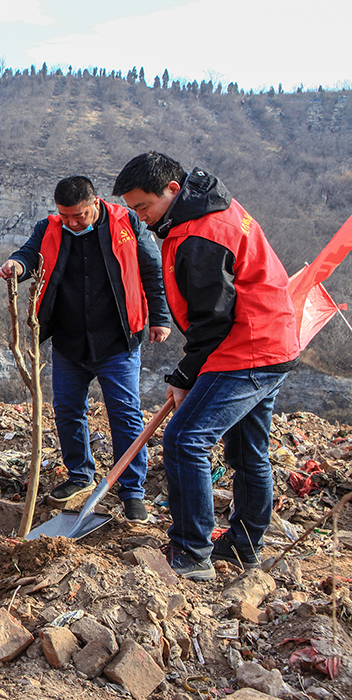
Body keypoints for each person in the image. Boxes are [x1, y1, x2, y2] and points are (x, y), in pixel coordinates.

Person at [113, 152, 300, 581]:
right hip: (272, 339)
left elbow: (213, 321)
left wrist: (183, 377)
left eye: (144, 207)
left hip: (247, 348)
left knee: (183, 439)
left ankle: (192, 551)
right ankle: (243, 546)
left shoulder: (202, 236)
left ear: (173, 190)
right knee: (246, 450)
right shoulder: (205, 208)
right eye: (134, 209)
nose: (140, 218)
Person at [0, 176, 171, 523]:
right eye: (66, 216)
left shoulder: (127, 223)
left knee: (124, 414)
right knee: (66, 409)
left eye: (79, 215)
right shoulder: (50, 227)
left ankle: (132, 490)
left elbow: (152, 269)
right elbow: (30, 253)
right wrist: (16, 265)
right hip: (69, 341)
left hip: (118, 340)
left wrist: (160, 318)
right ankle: (80, 474)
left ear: (95, 203)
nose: (72, 222)